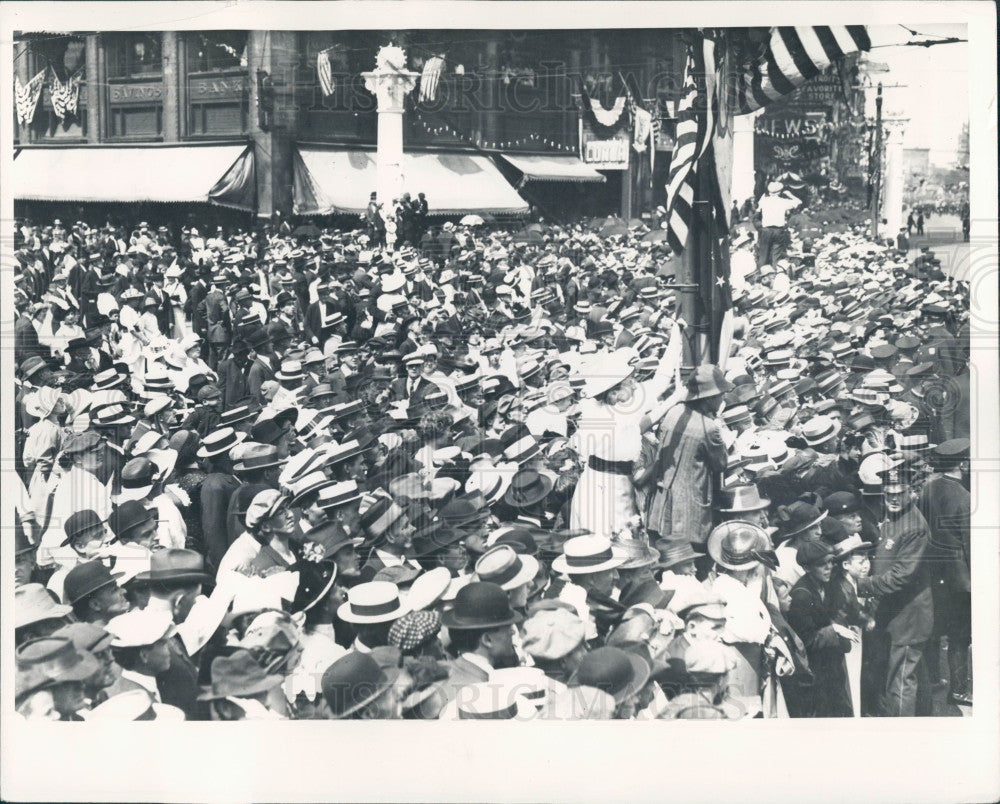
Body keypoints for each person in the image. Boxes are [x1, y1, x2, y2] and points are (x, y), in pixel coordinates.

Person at [856, 469, 934, 717]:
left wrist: (861, 585)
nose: (892, 498)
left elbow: (901, 576)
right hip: (894, 613)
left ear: (910, 492)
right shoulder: (893, 516)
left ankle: (902, 737)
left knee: (901, 682)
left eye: (899, 493)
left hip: (909, 617)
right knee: (905, 672)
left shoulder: (915, 526)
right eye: (888, 493)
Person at [917, 438, 971, 706]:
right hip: (960, 579)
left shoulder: (927, 489)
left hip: (932, 570)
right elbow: (969, 543)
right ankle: (959, 690)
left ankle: (933, 680)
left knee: (935, 629)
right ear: (962, 464)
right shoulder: (964, 497)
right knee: (961, 636)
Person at [755, 181, 801, 267]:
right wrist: (789, 194)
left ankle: (761, 275)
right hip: (778, 231)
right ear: (779, 192)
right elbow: (798, 202)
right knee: (776, 257)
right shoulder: (783, 202)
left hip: (766, 230)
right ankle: (775, 275)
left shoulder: (763, 200)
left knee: (763, 256)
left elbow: (757, 211)